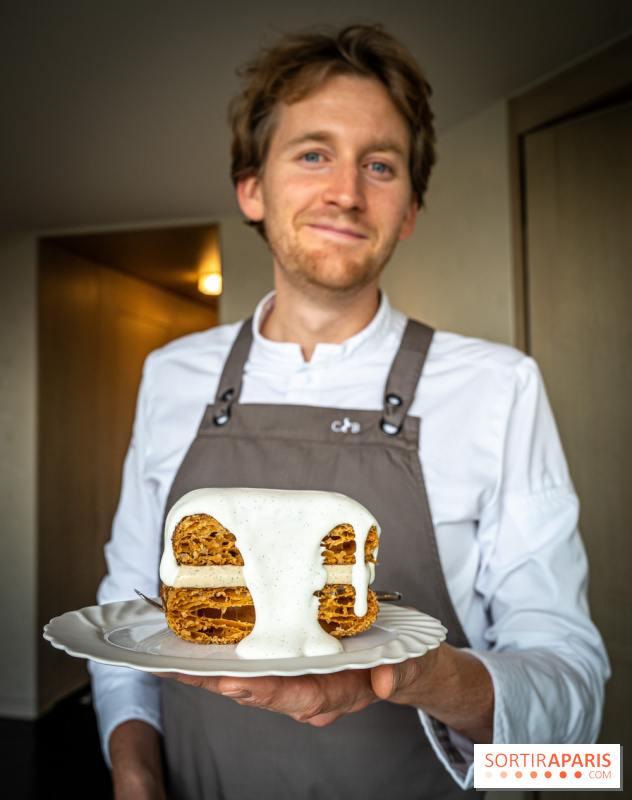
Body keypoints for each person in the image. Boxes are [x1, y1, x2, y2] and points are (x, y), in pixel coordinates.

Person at [90, 24, 609, 800]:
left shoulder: (500, 387)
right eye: (312, 153)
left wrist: (421, 678)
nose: (346, 191)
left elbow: (578, 722)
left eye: (380, 164)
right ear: (251, 189)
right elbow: (123, 614)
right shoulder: (171, 375)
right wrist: (134, 775)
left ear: (407, 211)